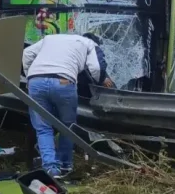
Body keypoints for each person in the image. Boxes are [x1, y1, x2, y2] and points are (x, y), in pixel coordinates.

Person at [22, 32, 113, 178]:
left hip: (36, 81)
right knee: (67, 127)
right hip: (63, 81)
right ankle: (65, 165)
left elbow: (26, 54)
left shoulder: (51, 38)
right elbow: (96, 68)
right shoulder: (89, 44)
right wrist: (99, 82)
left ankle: (51, 169)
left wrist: (29, 77)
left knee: (43, 128)